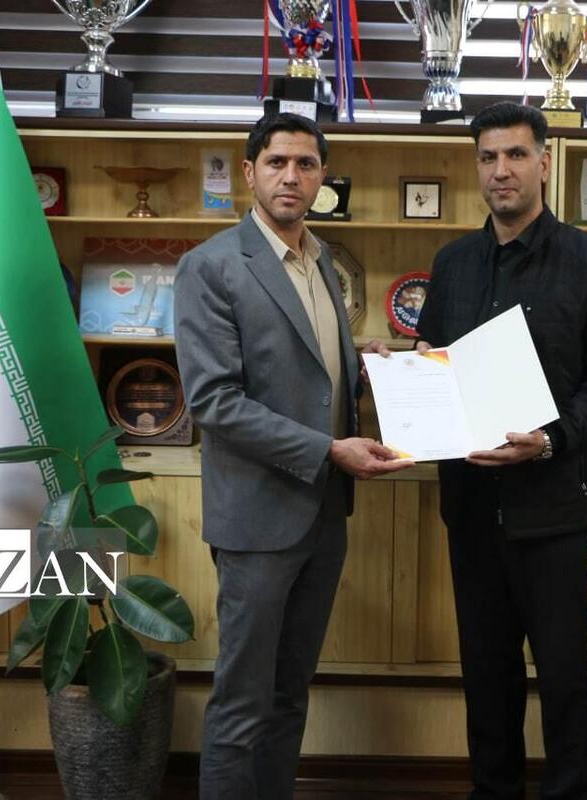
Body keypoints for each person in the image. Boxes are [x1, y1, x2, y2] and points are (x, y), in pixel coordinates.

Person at [369, 102, 587, 799]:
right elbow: (435, 358)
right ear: (477, 167)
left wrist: (550, 438)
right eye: (489, 157)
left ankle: (570, 791)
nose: (502, 170)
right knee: (487, 674)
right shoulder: (454, 263)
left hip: (554, 507)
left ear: (545, 163)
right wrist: (403, 368)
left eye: (517, 155)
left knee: (563, 674)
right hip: (470, 508)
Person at [174, 112, 412, 800]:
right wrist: (329, 449)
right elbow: (215, 402)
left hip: (324, 515)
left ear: (322, 177)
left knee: (289, 694)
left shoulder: (322, 259)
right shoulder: (212, 265)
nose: (291, 177)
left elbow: (305, 370)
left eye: (306, 165)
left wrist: (364, 365)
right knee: (243, 702)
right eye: (277, 163)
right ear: (250, 172)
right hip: (258, 520)